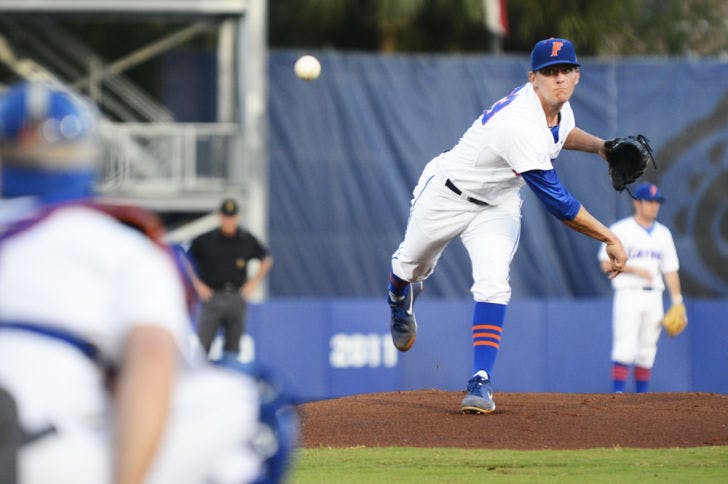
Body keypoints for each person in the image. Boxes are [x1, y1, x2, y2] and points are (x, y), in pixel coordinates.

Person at [0, 81, 295, 483]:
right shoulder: (117, 240)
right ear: (88, 156)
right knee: (257, 402)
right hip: (43, 452)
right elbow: (151, 356)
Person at [386, 38, 629, 414]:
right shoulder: (519, 123)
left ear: (578, 76)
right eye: (549, 72)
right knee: (410, 265)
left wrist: (601, 147)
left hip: (497, 204)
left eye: (566, 70)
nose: (559, 79)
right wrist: (610, 237)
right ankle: (399, 296)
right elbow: (560, 205)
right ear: (533, 78)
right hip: (448, 194)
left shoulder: (559, 112)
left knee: (494, 283)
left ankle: (480, 381)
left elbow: (562, 136)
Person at [597, 182, 683, 393]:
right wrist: (634, 269)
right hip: (629, 294)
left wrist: (677, 301)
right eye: (649, 201)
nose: (654, 206)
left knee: (647, 350)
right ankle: (618, 394)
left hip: (654, 296)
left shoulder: (663, 233)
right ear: (637, 202)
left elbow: (670, 269)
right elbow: (605, 262)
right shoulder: (620, 230)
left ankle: (642, 402)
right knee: (625, 347)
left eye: (657, 202)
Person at [186, 199, 274, 360]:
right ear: (220, 216)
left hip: (236, 296)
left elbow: (266, 258)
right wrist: (197, 285)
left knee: (233, 349)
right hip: (212, 296)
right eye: (226, 217)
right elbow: (186, 260)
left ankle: (230, 379)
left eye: (232, 217)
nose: (229, 221)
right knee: (202, 348)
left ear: (237, 217)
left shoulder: (246, 239)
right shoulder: (206, 240)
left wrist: (253, 284)